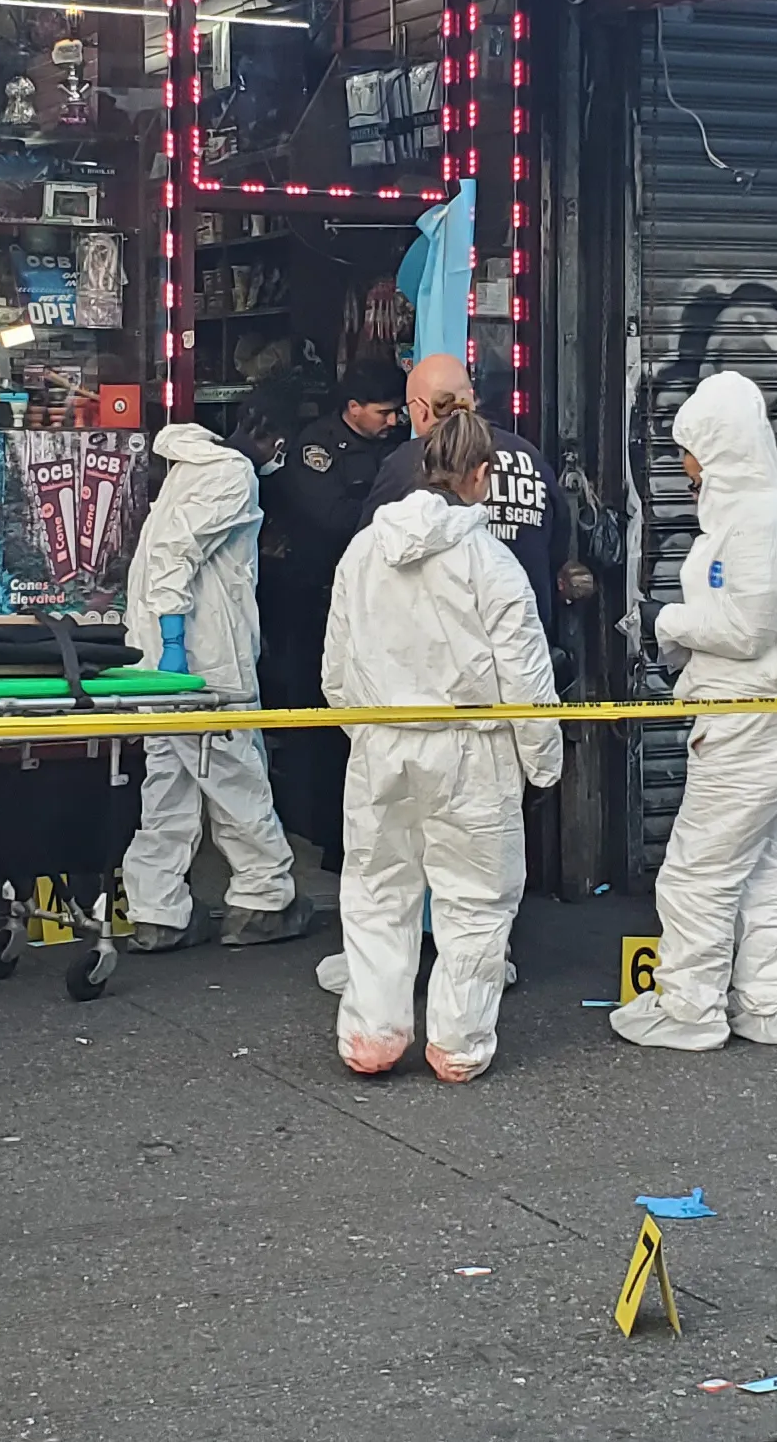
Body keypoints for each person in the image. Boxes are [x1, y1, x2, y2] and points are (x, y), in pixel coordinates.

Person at [612, 370, 777, 1052]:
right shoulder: (764, 514)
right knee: (759, 861)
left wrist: (669, 622)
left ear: (714, 446)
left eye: (687, 448)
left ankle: (688, 1010)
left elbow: (746, 629)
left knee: (698, 870)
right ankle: (771, 1006)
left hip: (754, 720)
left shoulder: (759, 518)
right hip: (769, 715)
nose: (681, 464)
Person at [323, 409, 561, 1082]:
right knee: (475, 900)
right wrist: (541, 759)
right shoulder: (491, 561)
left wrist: (360, 726)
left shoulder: (364, 550)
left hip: (381, 742)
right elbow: (525, 673)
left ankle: (371, 1033)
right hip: (469, 748)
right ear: (481, 475)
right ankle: (456, 1044)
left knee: (375, 891)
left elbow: (335, 662)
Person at [119, 403, 314, 950]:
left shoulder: (190, 469)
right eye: (280, 446)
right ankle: (264, 895)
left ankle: (158, 909)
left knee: (170, 782)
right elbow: (173, 560)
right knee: (235, 772)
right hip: (203, 659)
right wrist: (177, 645)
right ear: (264, 433)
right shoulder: (231, 475)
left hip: (157, 654)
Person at [260, 359, 408, 853]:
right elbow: (333, 518)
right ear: (352, 409)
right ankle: (321, 828)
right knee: (320, 717)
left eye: (398, 413)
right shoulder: (317, 449)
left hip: (380, 604)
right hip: (318, 600)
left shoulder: (399, 449)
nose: (393, 423)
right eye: (384, 413)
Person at [362, 352, 568, 635]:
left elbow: (369, 554)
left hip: (442, 648)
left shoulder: (404, 464)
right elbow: (557, 550)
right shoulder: (530, 457)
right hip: (526, 636)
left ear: (420, 411)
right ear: (472, 399)